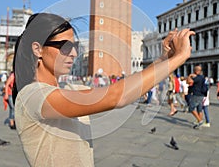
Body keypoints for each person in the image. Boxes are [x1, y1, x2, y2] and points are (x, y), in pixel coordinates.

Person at [13, 13, 194, 167]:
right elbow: (116, 96)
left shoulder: (70, 88)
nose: (74, 54)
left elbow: (121, 89)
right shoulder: (33, 96)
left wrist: (164, 58)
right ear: (38, 49)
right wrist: (180, 57)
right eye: (65, 47)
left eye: (75, 47)